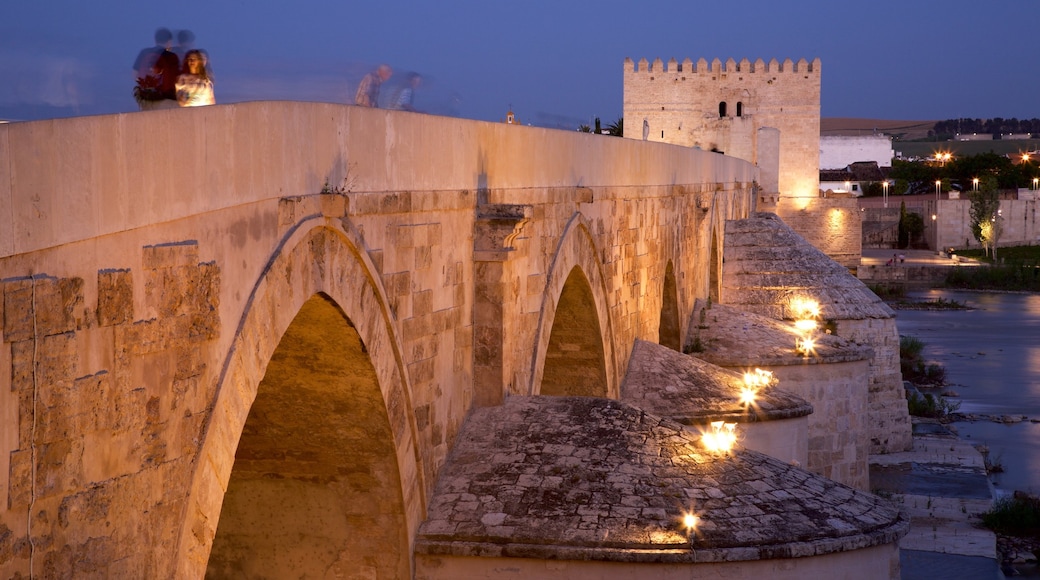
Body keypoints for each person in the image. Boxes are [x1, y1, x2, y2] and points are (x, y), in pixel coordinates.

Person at [133, 28, 180, 108]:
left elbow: (135, 74)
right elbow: (177, 79)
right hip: (166, 98)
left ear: (155, 40)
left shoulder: (144, 52)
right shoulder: (172, 57)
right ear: (169, 41)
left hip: (147, 98)